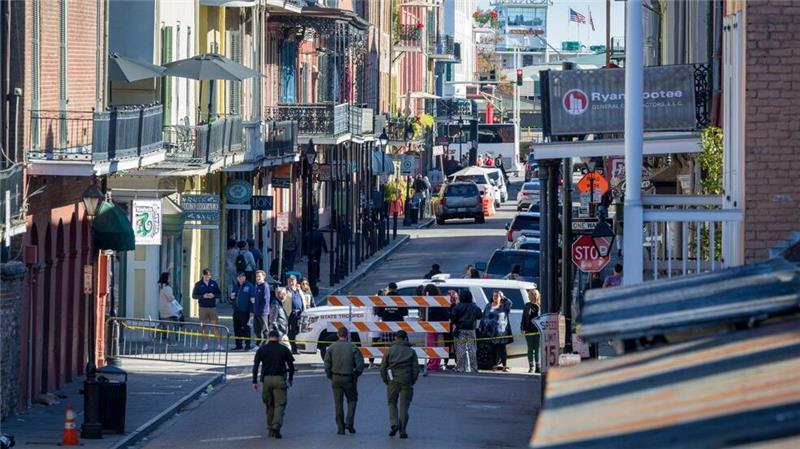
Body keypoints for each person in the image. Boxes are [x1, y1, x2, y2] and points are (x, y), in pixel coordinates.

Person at [252, 330, 295, 439]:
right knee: (280, 404)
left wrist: (254, 381)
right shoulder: (283, 349)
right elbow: (291, 365)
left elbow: (256, 366)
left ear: (268, 337)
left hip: (266, 380)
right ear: (278, 338)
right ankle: (276, 425)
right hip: (279, 379)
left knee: (269, 404)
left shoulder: (262, 350)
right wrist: (290, 378)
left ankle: (270, 428)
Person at [324, 326, 365, 435]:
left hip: (336, 378)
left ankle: (340, 427)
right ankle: (349, 423)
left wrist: (330, 376)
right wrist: (356, 375)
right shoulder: (353, 347)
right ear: (347, 335)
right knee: (352, 400)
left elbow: (327, 364)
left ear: (338, 335)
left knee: (338, 403)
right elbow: (360, 365)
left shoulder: (332, 348)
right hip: (349, 378)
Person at [380, 330, 420, 439]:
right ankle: (403, 430)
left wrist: (386, 380)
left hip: (393, 381)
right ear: (406, 338)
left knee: (392, 403)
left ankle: (394, 424)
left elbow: (383, 367)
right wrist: (412, 380)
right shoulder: (411, 352)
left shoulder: (389, 350)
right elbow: (416, 369)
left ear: (395, 338)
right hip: (406, 381)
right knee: (404, 407)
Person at [450, 290, 482, 373]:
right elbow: (479, 316)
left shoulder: (458, 306)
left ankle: (460, 368)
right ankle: (474, 368)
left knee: (460, 350)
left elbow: (453, 318)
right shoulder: (474, 306)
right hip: (471, 330)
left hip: (460, 330)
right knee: (472, 349)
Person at [481, 290, 513, 372]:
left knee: (502, 350)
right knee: (492, 350)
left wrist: (504, 297)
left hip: (501, 332)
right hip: (490, 332)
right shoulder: (488, 306)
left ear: (500, 297)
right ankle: (494, 365)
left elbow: (510, 302)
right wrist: (482, 327)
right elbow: (484, 316)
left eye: (497, 296)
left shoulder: (504, 306)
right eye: (494, 296)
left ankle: (504, 366)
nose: (495, 297)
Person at [191, 268, 223, 351]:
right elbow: (194, 295)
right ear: (203, 275)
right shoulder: (198, 284)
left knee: (215, 326)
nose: (208, 277)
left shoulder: (214, 283)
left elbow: (219, 294)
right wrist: (203, 296)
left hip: (212, 307)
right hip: (203, 307)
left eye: (209, 276)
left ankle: (219, 344)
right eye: (206, 276)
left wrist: (213, 295)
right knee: (204, 326)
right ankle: (205, 344)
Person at [230, 272, 255, 351]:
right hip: (236, 311)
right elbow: (232, 298)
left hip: (245, 311)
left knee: (246, 329)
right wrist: (231, 297)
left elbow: (253, 300)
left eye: (242, 277)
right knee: (237, 329)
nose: (240, 278)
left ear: (245, 278)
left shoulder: (250, 286)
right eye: (239, 277)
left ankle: (247, 345)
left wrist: (251, 312)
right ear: (237, 278)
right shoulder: (236, 286)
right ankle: (238, 345)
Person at [521, 289, 541, 373]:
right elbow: (524, 317)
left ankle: (538, 366)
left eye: (530, 295)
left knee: (537, 349)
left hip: (538, 330)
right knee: (530, 348)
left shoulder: (539, 306)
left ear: (534, 295)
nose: (528, 296)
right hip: (528, 330)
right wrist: (522, 328)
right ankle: (531, 366)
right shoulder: (527, 305)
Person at [286, 275, 305, 354]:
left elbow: (303, 301)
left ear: (296, 282)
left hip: (299, 314)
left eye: (293, 281)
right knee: (291, 332)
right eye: (290, 281)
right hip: (291, 314)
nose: (291, 282)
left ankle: (298, 347)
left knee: (299, 331)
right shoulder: (286, 291)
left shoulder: (299, 291)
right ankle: (293, 348)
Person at [253, 270, 271, 347]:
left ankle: (266, 344)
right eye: (257, 276)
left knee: (264, 329)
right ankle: (258, 344)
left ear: (264, 277)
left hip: (263, 312)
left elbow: (265, 300)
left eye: (259, 276)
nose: (258, 278)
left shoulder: (265, 286)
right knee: (257, 329)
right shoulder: (257, 286)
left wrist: (261, 311)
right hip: (256, 311)